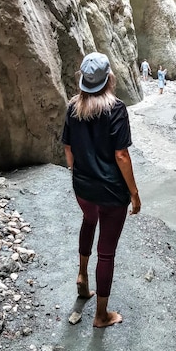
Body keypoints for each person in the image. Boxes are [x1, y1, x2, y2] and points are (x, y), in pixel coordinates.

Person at [62, 52, 141, 328]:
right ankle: (101, 315)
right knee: (106, 251)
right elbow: (121, 155)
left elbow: (69, 150)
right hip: (111, 193)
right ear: (109, 79)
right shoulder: (116, 109)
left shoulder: (73, 107)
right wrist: (134, 192)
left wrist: (78, 171)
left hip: (83, 188)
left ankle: (82, 279)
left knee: (88, 220)